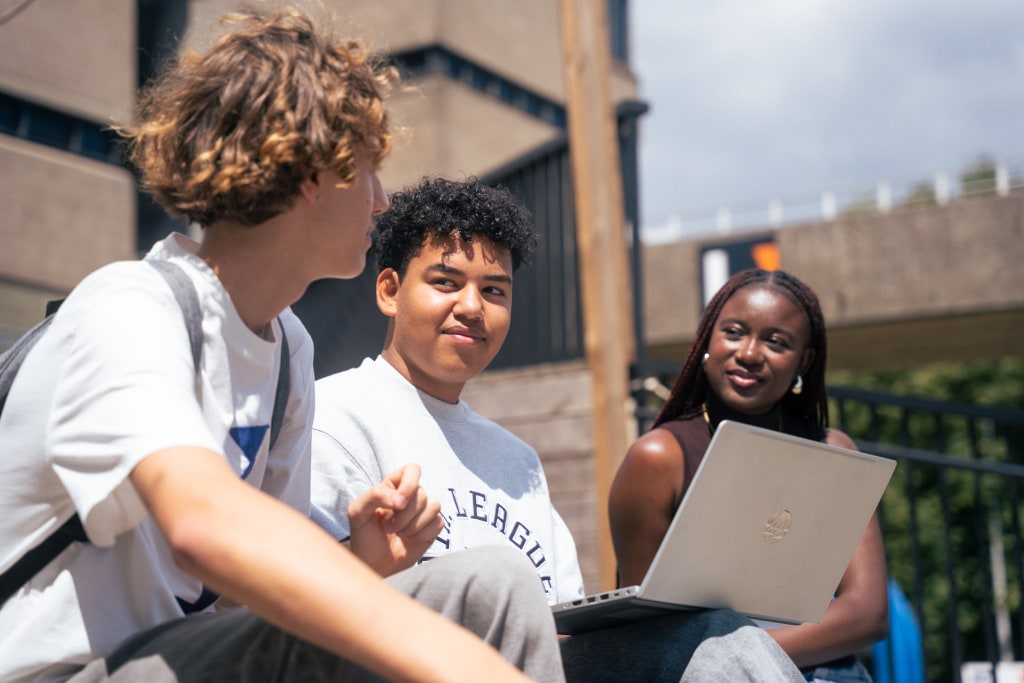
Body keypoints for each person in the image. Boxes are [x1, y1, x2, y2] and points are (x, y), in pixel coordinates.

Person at [0, 11, 562, 683]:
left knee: (490, 581)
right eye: (370, 170)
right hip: (61, 673)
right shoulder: (131, 307)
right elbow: (202, 525)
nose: (382, 201)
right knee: (464, 615)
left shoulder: (288, 351)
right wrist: (462, 662)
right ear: (310, 173)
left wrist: (360, 560)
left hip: (179, 657)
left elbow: (241, 599)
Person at [311, 177, 806, 683]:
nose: (472, 307)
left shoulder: (518, 461)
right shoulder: (331, 417)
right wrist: (365, 562)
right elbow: (290, 614)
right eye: (445, 282)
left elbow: (560, 628)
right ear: (390, 291)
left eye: (494, 291)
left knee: (715, 635)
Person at [609, 268, 889, 682]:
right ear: (708, 340)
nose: (750, 353)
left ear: (803, 361)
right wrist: (734, 665)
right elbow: (643, 632)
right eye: (734, 332)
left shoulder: (833, 451)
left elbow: (868, 613)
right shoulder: (659, 458)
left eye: (776, 342)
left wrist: (740, 656)